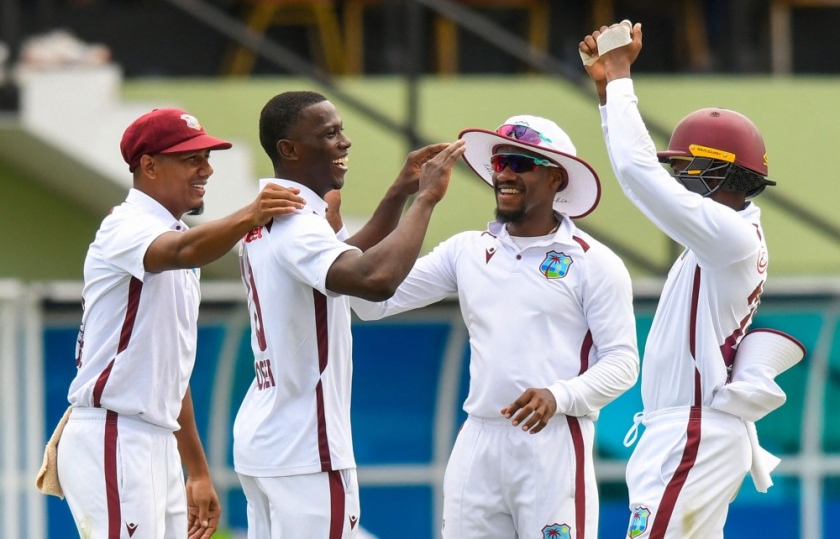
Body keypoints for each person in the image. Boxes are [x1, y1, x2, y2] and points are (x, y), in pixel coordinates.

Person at [350, 114, 640, 538]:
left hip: (554, 438)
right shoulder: (466, 250)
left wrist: (558, 395)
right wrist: (405, 195)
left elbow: (623, 363)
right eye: (500, 162)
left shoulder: (594, 262)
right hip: (478, 438)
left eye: (520, 163)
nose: (504, 173)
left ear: (555, 178)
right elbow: (369, 301)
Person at [579, 22, 804, 538]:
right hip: (687, 431)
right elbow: (639, 172)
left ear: (717, 172)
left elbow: (637, 173)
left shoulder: (730, 236)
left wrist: (621, 76)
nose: (676, 178)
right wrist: (607, 93)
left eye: (684, 167)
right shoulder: (721, 238)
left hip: (693, 432)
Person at [53, 107, 306, 539]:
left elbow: (174, 370)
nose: (206, 169)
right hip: (114, 434)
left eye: (206, 158)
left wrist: (198, 471)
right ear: (149, 166)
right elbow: (181, 251)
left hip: (154, 438)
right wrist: (251, 214)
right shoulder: (126, 226)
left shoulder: (178, 238)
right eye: (192, 159)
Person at [232, 90, 465, 538]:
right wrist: (426, 201)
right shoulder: (297, 223)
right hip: (306, 449)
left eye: (341, 130)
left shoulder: (272, 215)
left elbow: (344, 260)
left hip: (268, 442)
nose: (345, 141)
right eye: (329, 133)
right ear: (289, 149)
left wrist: (398, 193)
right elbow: (374, 280)